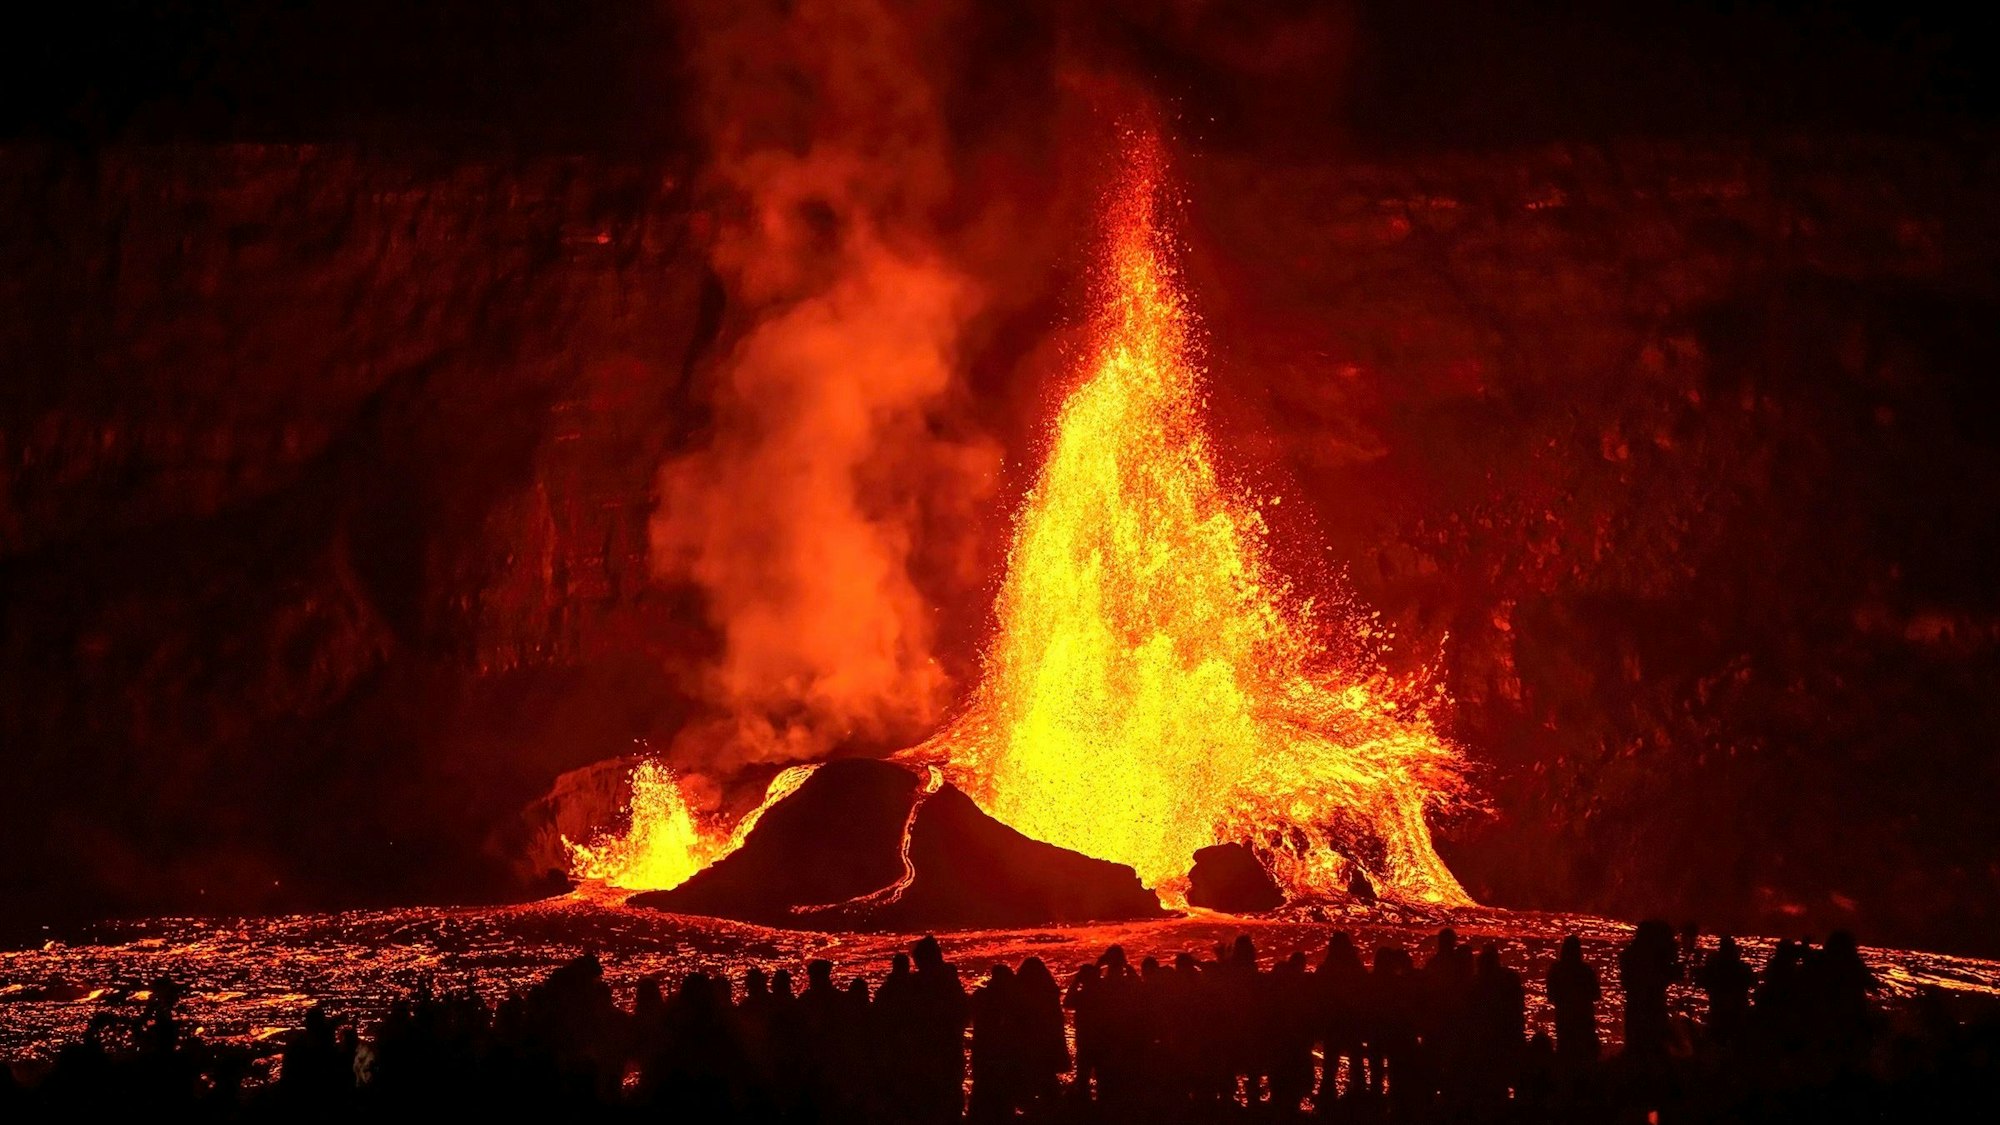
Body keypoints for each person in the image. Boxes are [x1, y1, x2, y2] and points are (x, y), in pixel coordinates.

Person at [1547, 935, 1602, 1066]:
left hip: (1564, 1019)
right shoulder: (1586, 971)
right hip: (1585, 1020)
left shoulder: (1556, 970)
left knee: (1565, 1053)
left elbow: (1551, 996)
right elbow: (1596, 995)